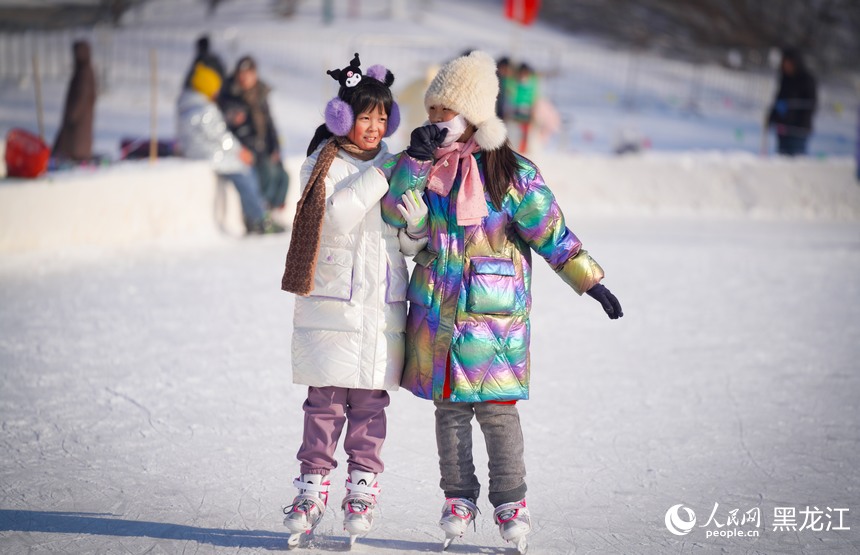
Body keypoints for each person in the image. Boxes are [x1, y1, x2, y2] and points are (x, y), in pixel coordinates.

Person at [381, 50, 623, 553]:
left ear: (472, 115)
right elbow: (390, 208)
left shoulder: (510, 170)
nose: (436, 121)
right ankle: (458, 497)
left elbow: (549, 229)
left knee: (497, 412)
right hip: (437, 311)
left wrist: (589, 279)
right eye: (431, 112)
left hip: (494, 317)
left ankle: (510, 500)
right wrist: (416, 160)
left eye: (445, 112)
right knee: (448, 411)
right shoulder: (425, 166)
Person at [279, 53, 425, 547]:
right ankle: (312, 486)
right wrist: (391, 171)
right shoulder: (319, 166)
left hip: (380, 305)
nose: (375, 126)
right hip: (331, 304)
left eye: (383, 117)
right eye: (365, 116)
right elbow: (338, 216)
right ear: (342, 117)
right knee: (324, 402)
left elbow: (407, 242)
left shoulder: (392, 164)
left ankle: (362, 487)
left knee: (369, 402)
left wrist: (417, 224)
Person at [175, 61, 284, 235]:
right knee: (245, 172)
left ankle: (258, 215)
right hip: (210, 154)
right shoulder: (204, 109)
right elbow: (221, 136)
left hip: (198, 151)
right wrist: (239, 151)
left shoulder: (188, 104)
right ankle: (258, 219)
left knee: (254, 170)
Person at [219, 56, 290, 213]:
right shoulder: (230, 95)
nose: (244, 79)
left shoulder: (260, 94)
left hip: (262, 146)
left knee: (284, 176)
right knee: (267, 171)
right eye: (241, 75)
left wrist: (274, 148)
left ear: (254, 74)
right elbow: (230, 128)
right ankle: (262, 210)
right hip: (244, 149)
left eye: (248, 74)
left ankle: (274, 209)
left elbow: (269, 124)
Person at [766, 47, 817, 156]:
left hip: (798, 130)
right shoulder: (785, 79)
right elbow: (779, 100)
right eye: (784, 62)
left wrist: (800, 122)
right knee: (782, 159)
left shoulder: (806, 79)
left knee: (796, 160)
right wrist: (772, 117)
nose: (786, 65)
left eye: (788, 62)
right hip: (783, 128)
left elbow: (810, 105)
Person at [52, 40, 96, 163]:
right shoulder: (84, 70)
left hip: (78, 122)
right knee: (75, 146)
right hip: (80, 121)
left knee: (76, 147)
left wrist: (72, 114)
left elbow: (81, 97)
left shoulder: (83, 73)